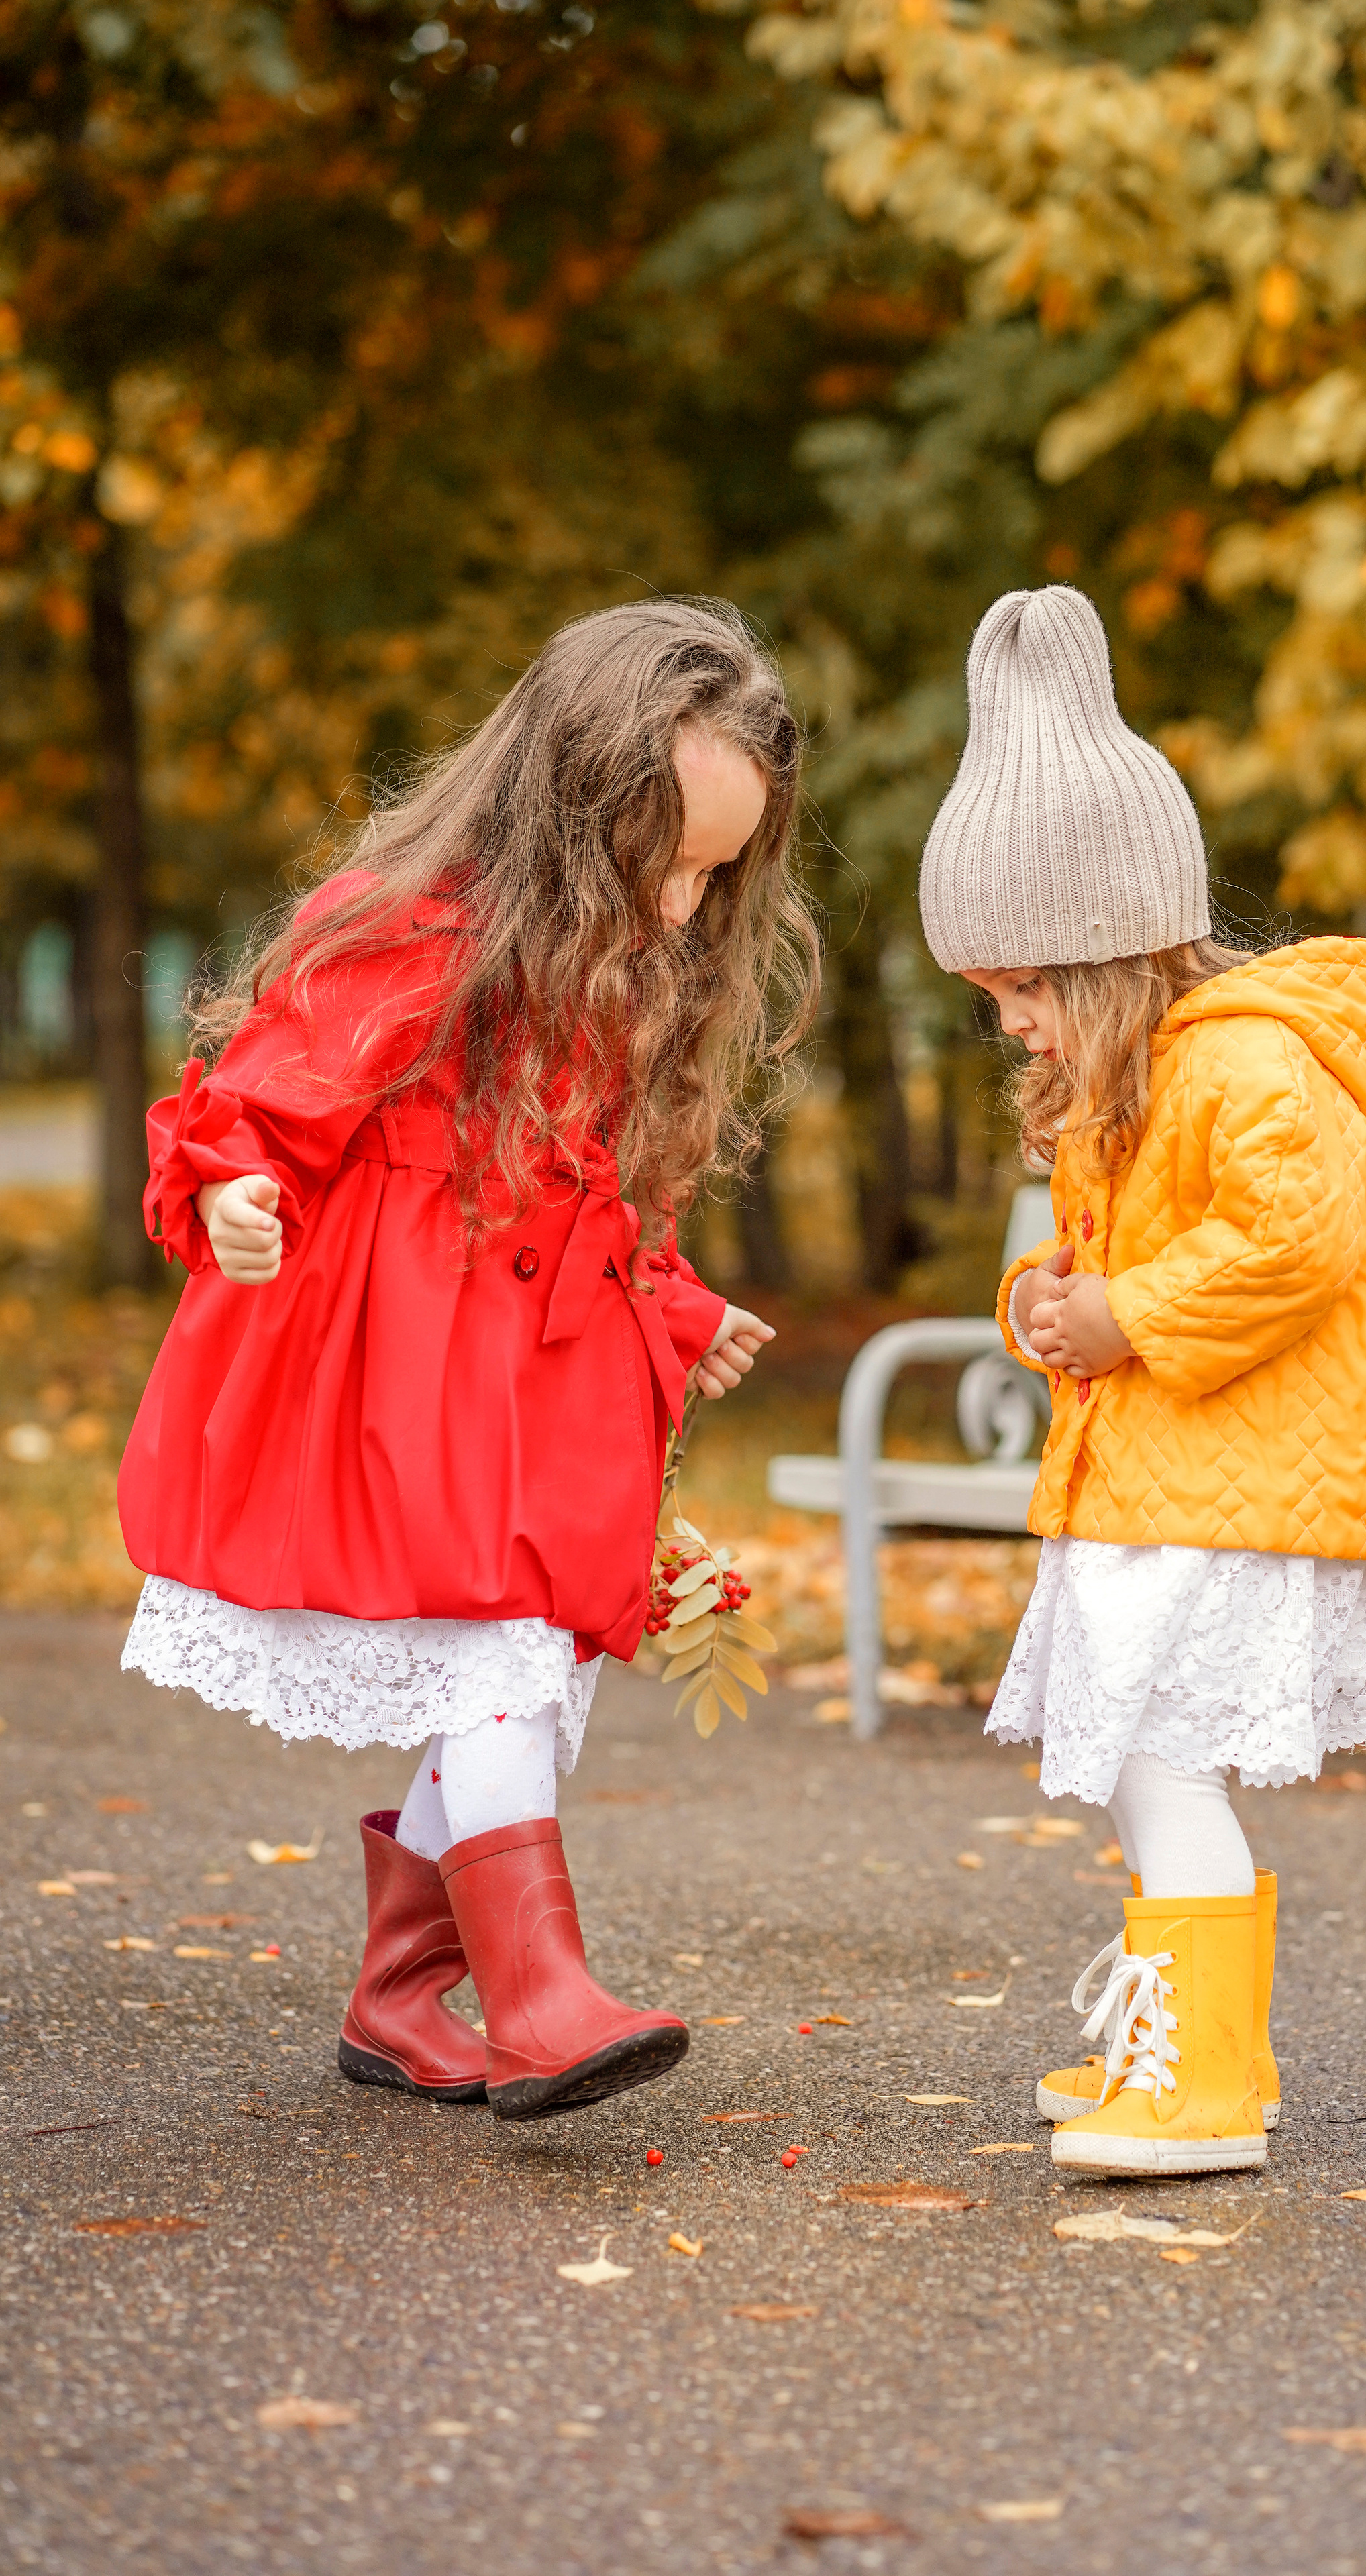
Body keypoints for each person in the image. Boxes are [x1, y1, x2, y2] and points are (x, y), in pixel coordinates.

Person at [119, 598, 817, 2123]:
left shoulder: (625, 976)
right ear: (571, 808)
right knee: (500, 1652)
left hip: (543, 1387)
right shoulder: (413, 934)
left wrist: (679, 1309)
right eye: (668, 863)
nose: (691, 908)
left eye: (718, 872)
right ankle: (537, 1997)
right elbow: (257, 1106)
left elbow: (597, 1188)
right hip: (404, 1383)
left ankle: (399, 1997)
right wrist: (232, 1194)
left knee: (526, 1660)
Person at [918, 586, 1366, 2178]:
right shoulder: (1128, 1085)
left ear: (1112, 944)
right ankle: (1203, 2042)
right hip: (1165, 1472)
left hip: (1236, 1476)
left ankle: (1195, 2081)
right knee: (1146, 1758)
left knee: (1158, 1750)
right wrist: (1052, 1305)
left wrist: (1124, 1316)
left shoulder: (1240, 1059)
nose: (1010, 1023)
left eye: (1024, 987)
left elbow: (1296, 1239)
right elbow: (1095, 1273)